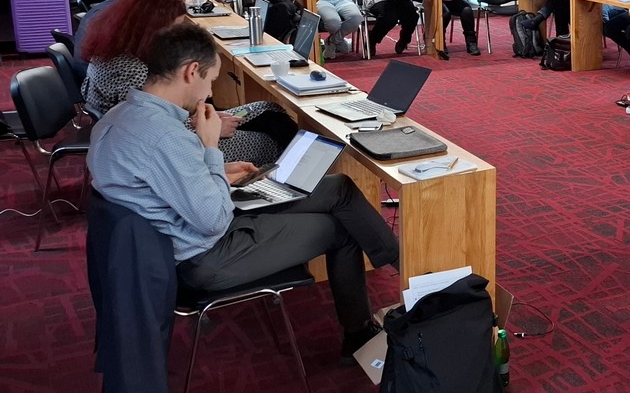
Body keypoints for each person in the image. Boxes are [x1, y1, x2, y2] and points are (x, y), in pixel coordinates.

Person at [87, 23, 399, 361]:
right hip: (205, 255)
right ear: (191, 71)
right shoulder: (165, 136)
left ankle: (398, 262)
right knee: (339, 229)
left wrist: (220, 172)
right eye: (210, 80)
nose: (209, 92)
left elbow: (163, 183)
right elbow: (214, 220)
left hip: (188, 224)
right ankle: (358, 336)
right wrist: (210, 147)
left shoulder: (119, 116)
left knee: (337, 187)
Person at [79, 0, 294, 164]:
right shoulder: (132, 70)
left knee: (269, 109)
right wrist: (208, 128)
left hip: (180, 128)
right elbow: (153, 131)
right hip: (183, 146)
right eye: (176, 26)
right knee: (273, 139)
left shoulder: (114, 50)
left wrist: (200, 120)